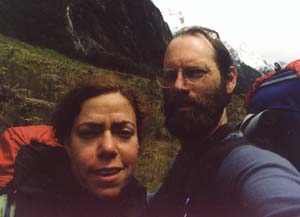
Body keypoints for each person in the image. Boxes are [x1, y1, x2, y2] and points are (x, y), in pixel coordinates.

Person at [148, 26, 300, 217]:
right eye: (170, 75)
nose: (178, 86)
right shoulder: (186, 160)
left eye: (195, 72)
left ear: (229, 79)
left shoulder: (248, 166)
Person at [0, 74, 147, 217]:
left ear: (138, 142)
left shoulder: (151, 207)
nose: (108, 147)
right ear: (67, 144)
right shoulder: (11, 209)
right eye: (89, 133)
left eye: (124, 132)